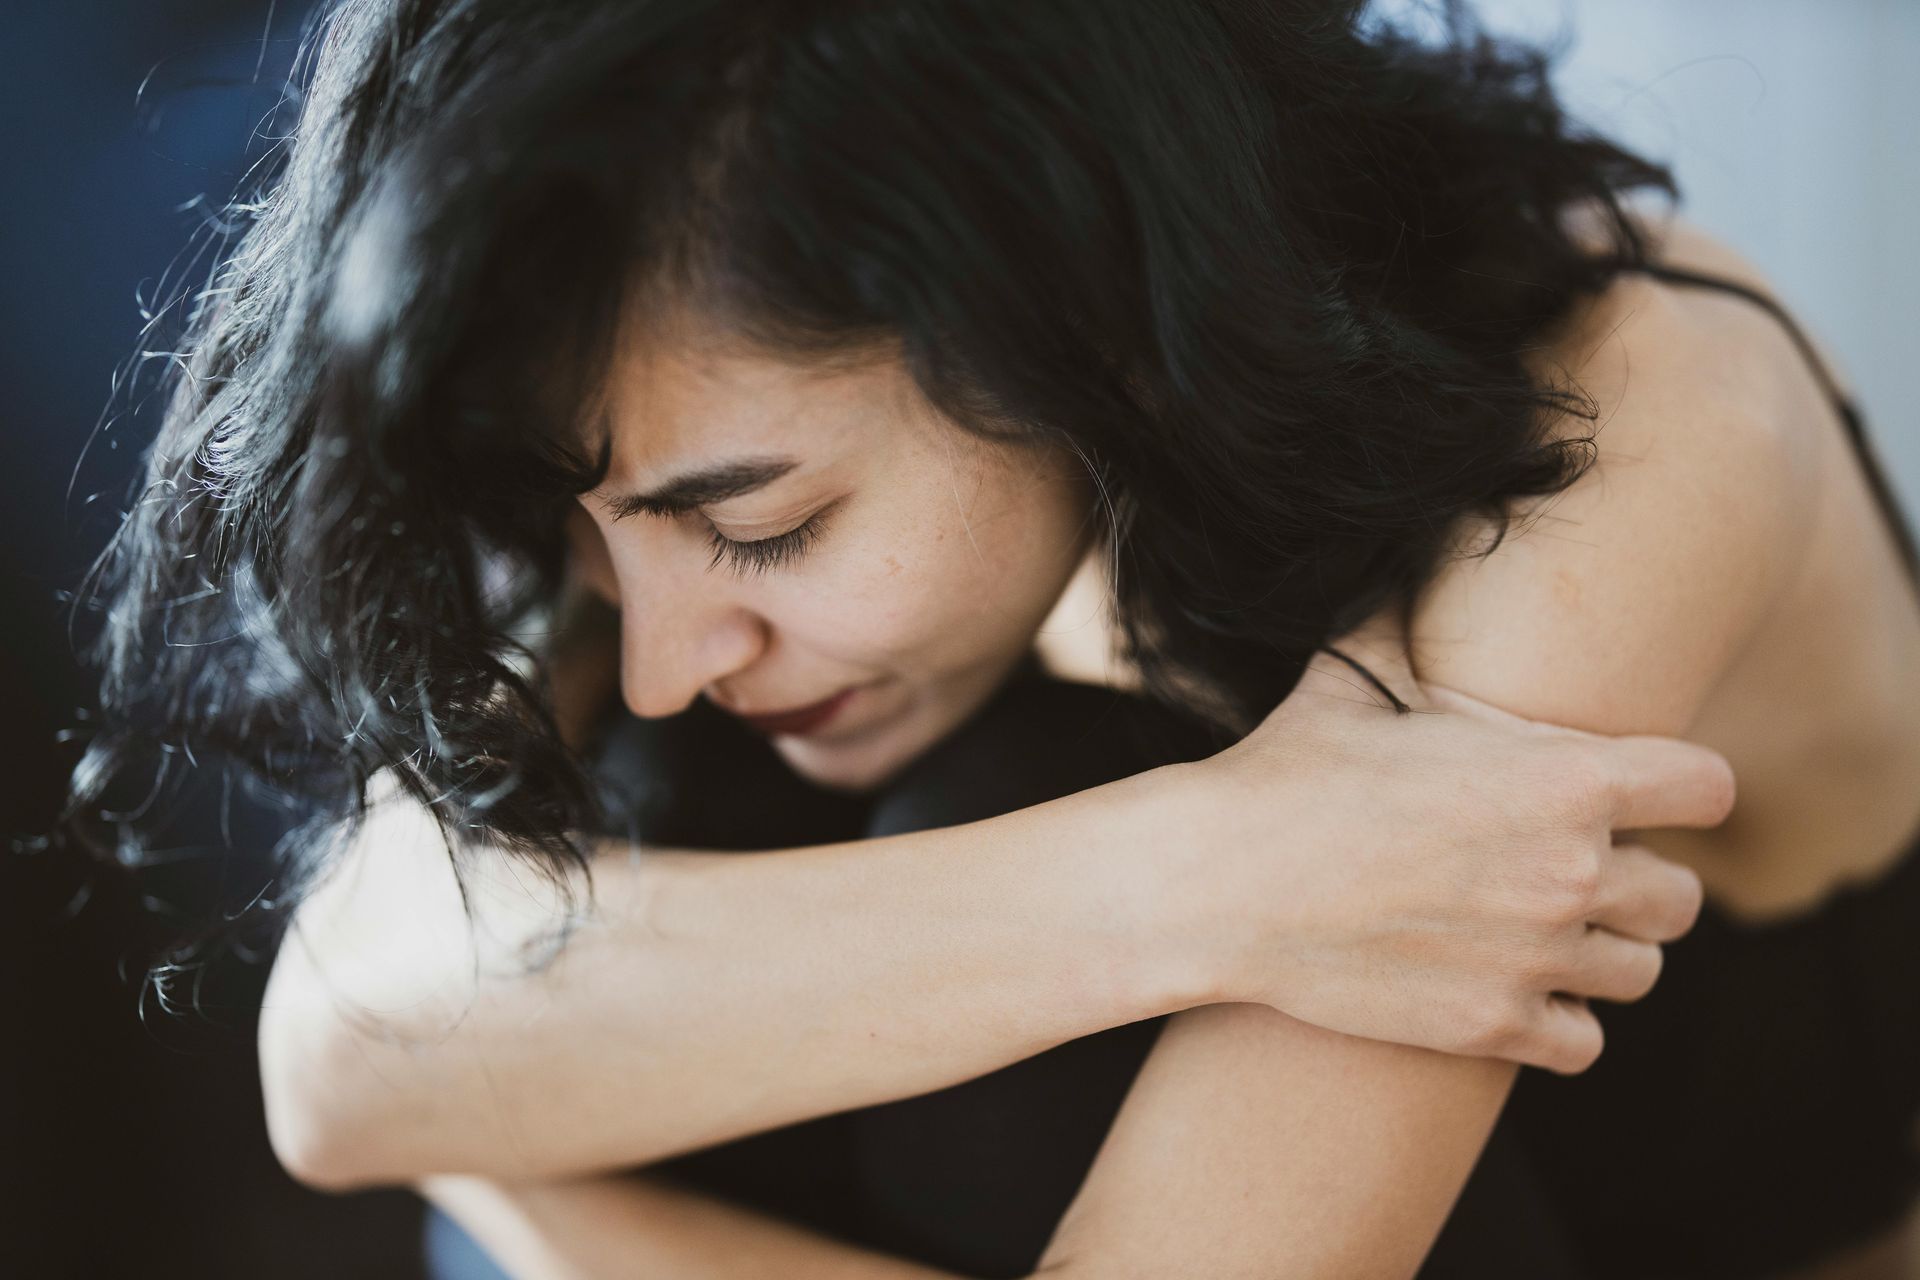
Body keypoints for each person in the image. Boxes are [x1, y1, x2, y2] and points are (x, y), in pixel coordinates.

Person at [62, 0, 1919, 1276]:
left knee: (859, 845)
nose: (657, 647)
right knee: (664, 802)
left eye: (767, 528)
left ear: (1074, 298)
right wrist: (1213, 872)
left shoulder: (1632, 424)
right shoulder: (669, 400)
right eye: (585, 542)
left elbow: (408, 1066)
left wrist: (532, 1172)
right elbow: (340, 1034)